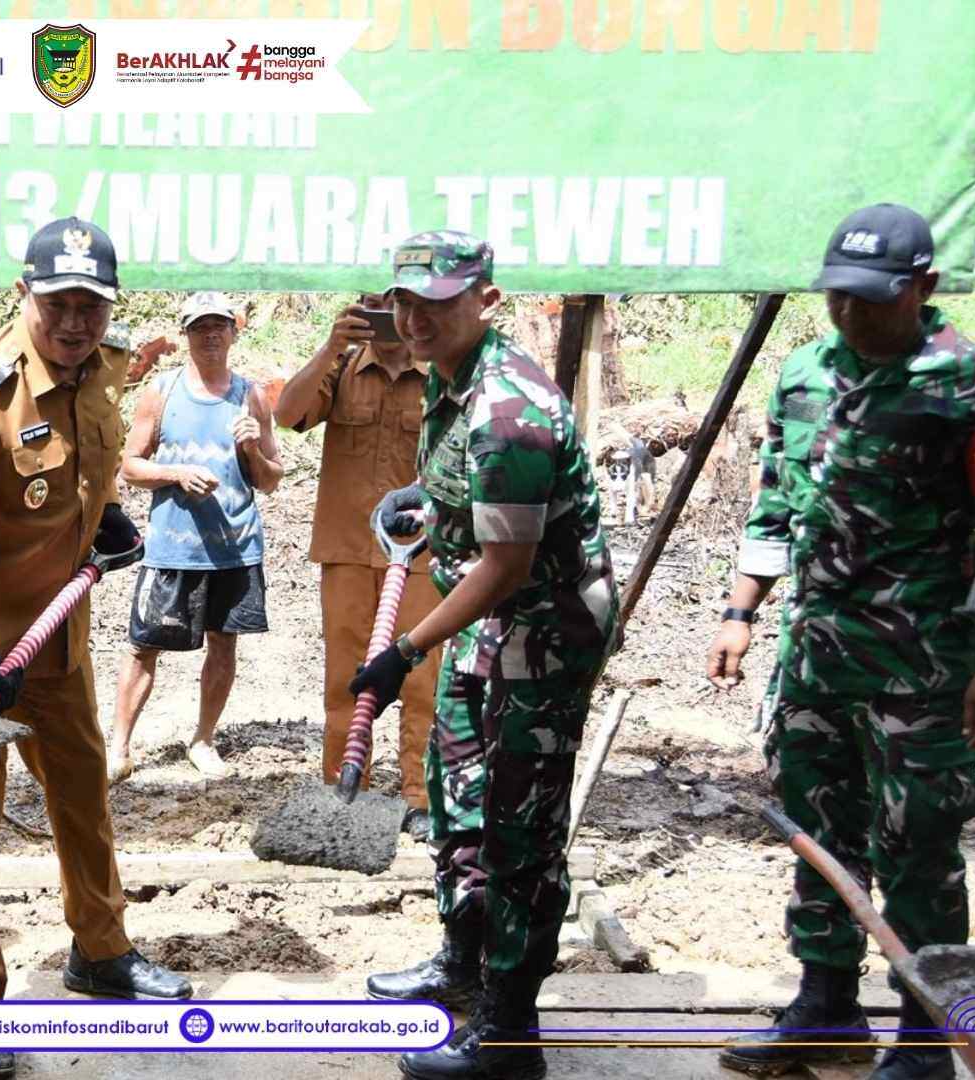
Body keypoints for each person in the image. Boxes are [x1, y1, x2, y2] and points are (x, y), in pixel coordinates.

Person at [706, 203, 975, 1080]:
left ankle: (929, 1034)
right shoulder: (804, 371)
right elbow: (774, 502)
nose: (849, 314)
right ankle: (825, 1009)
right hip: (816, 658)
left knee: (918, 845)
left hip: (923, 670)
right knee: (818, 833)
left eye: (870, 300)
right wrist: (739, 611)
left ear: (923, 287)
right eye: (837, 297)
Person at [0, 217, 193, 1079]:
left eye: (91, 307)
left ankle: (99, 953)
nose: (74, 323)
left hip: (54, 636)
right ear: (21, 294)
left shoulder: (103, 365)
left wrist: (102, 519)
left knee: (82, 799)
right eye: (57, 303)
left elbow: (88, 465)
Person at [352, 232, 617, 1080]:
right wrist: (423, 501)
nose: (416, 318)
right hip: (486, 627)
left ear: (487, 300)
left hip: (540, 635)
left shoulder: (510, 411)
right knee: (458, 797)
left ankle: (509, 1034)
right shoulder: (453, 380)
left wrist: (403, 652)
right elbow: (466, 503)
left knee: (519, 832)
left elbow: (508, 565)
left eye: (436, 302)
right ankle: (460, 965)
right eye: (405, 302)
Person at [274, 291, 445, 839]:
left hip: (421, 553)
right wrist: (331, 345)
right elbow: (288, 413)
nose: (383, 319)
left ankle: (419, 795)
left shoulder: (441, 373)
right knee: (347, 679)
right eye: (372, 306)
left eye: (392, 307)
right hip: (347, 548)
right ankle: (347, 790)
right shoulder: (342, 367)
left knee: (421, 678)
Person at [107, 290, 282, 782]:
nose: (210, 335)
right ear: (184, 334)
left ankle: (204, 739)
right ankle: (118, 747)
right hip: (172, 546)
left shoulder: (252, 396)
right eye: (199, 327)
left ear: (233, 332)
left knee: (223, 645)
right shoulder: (161, 391)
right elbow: (130, 467)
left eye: (219, 326)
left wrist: (251, 449)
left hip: (234, 547)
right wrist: (177, 473)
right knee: (143, 646)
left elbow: (271, 480)